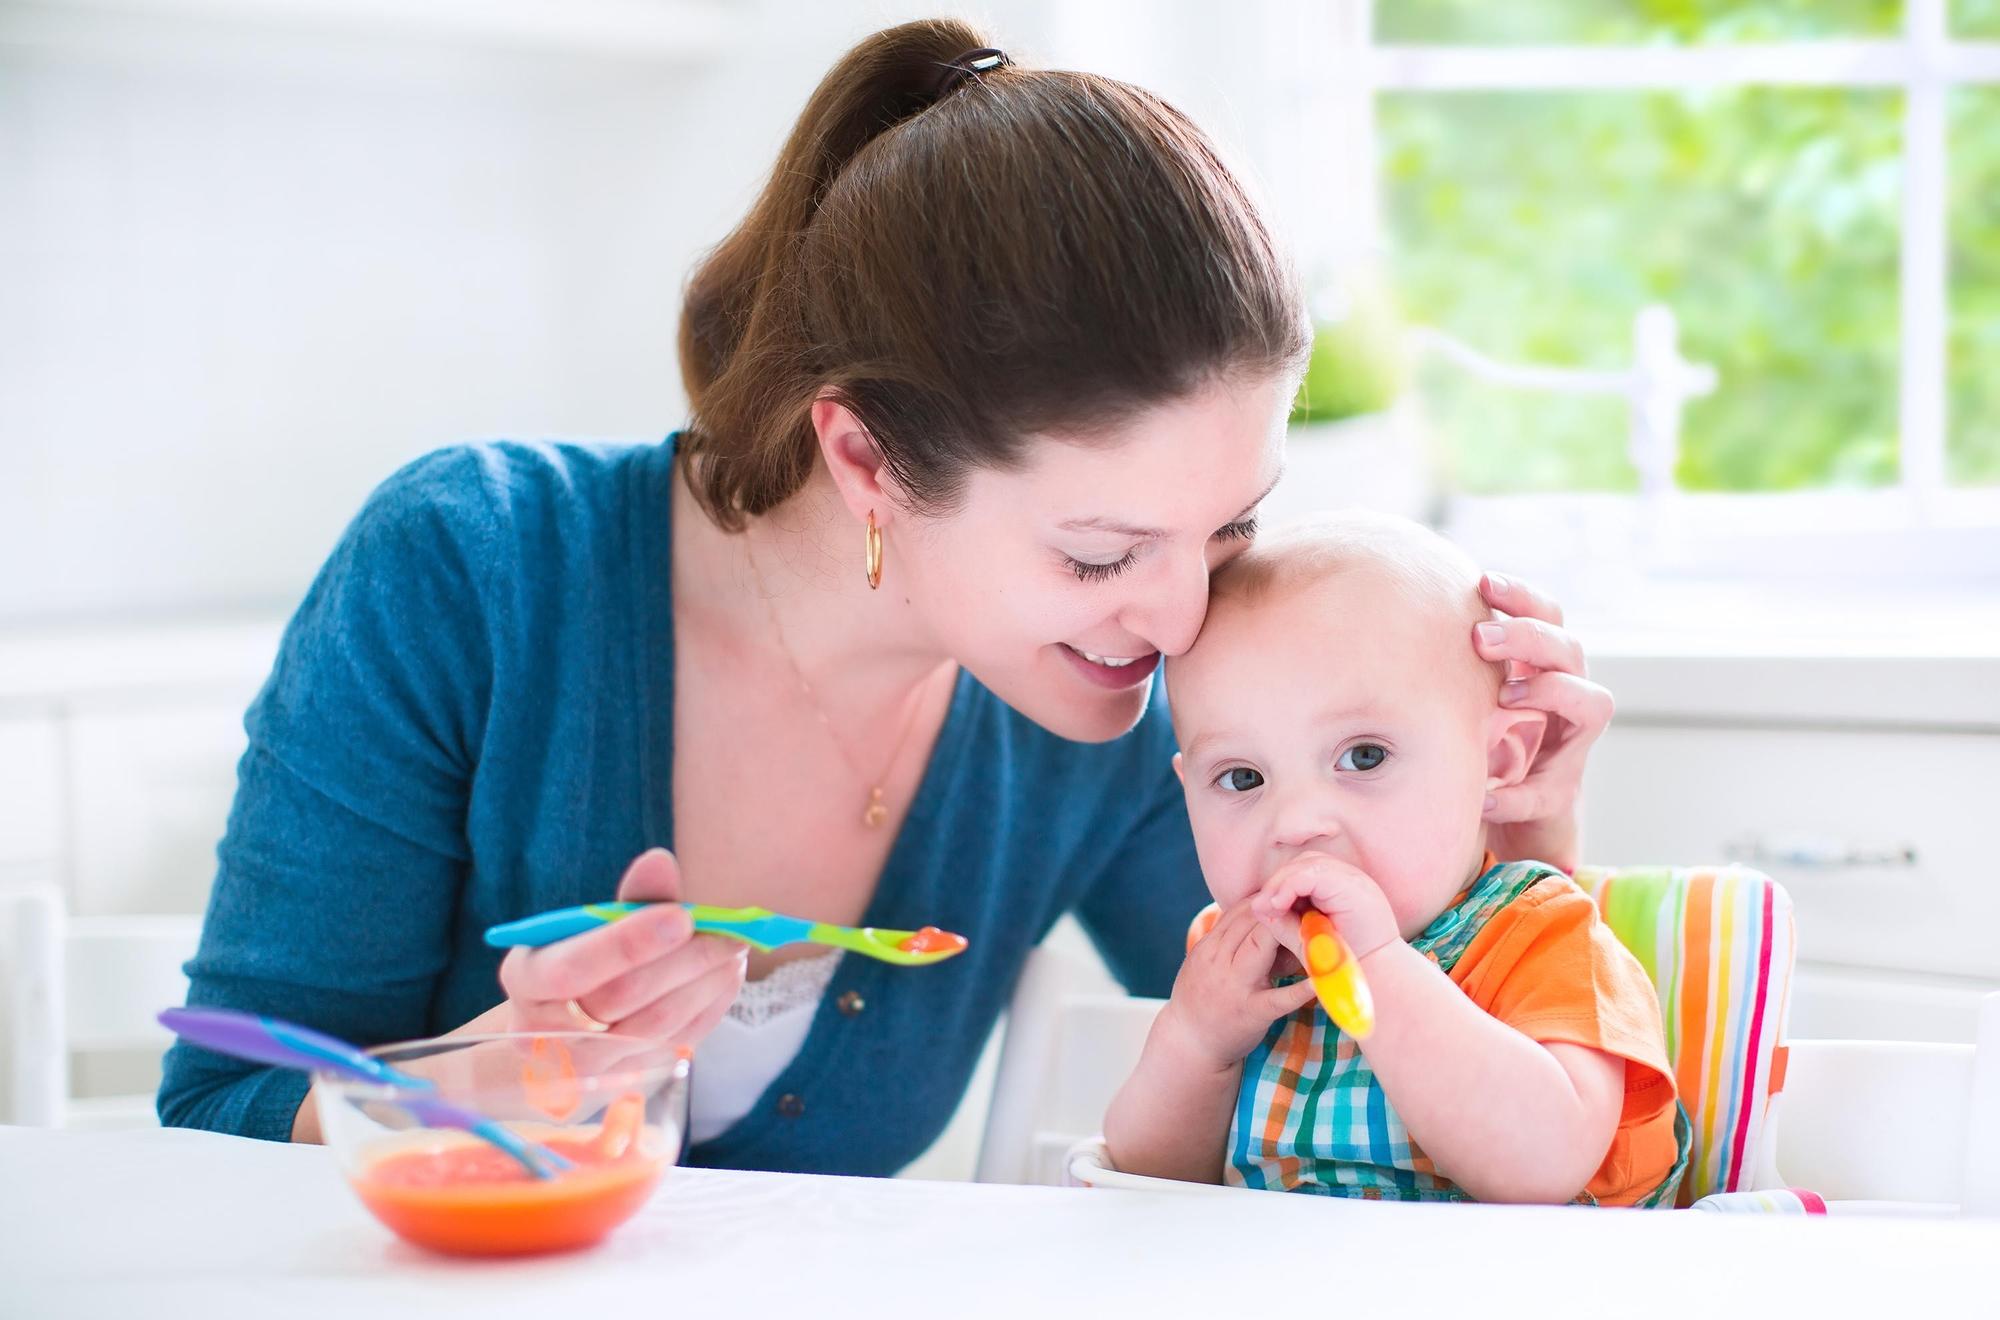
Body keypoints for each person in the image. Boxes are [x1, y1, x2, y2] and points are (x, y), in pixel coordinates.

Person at [158, 20, 1612, 1176]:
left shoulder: (1124, 705)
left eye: (1230, 528)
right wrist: (462, 1088)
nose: (1179, 621)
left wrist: (1523, 829)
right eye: (1102, 553)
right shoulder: (470, 570)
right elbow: (216, 1101)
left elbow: (1424, 1086)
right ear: (862, 454)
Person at [1103, 515, 1683, 1204]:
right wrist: (1196, 1044)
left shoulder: (1542, 930)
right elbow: (1147, 1181)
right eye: (1242, 778)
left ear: (1498, 760)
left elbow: (1544, 1166)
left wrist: (1375, 968)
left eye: (1364, 757)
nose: (1295, 824)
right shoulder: (1235, 963)